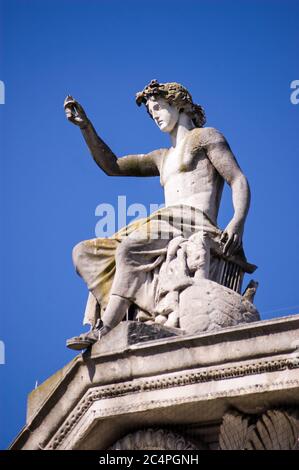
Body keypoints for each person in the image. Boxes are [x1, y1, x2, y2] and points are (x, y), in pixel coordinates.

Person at [64, 80, 254, 349]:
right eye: (151, 113)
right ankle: (135, 310)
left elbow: (238, 179)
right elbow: (112, 166)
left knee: (129, 248)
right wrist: (86, 127)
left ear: (179, 105)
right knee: (84, 252)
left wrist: (238, 221)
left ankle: (105, 327)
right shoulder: (161, 157)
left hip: (194, 222)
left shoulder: (206, 137)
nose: (155, 116)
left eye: (159, 108)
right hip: (164, 224)